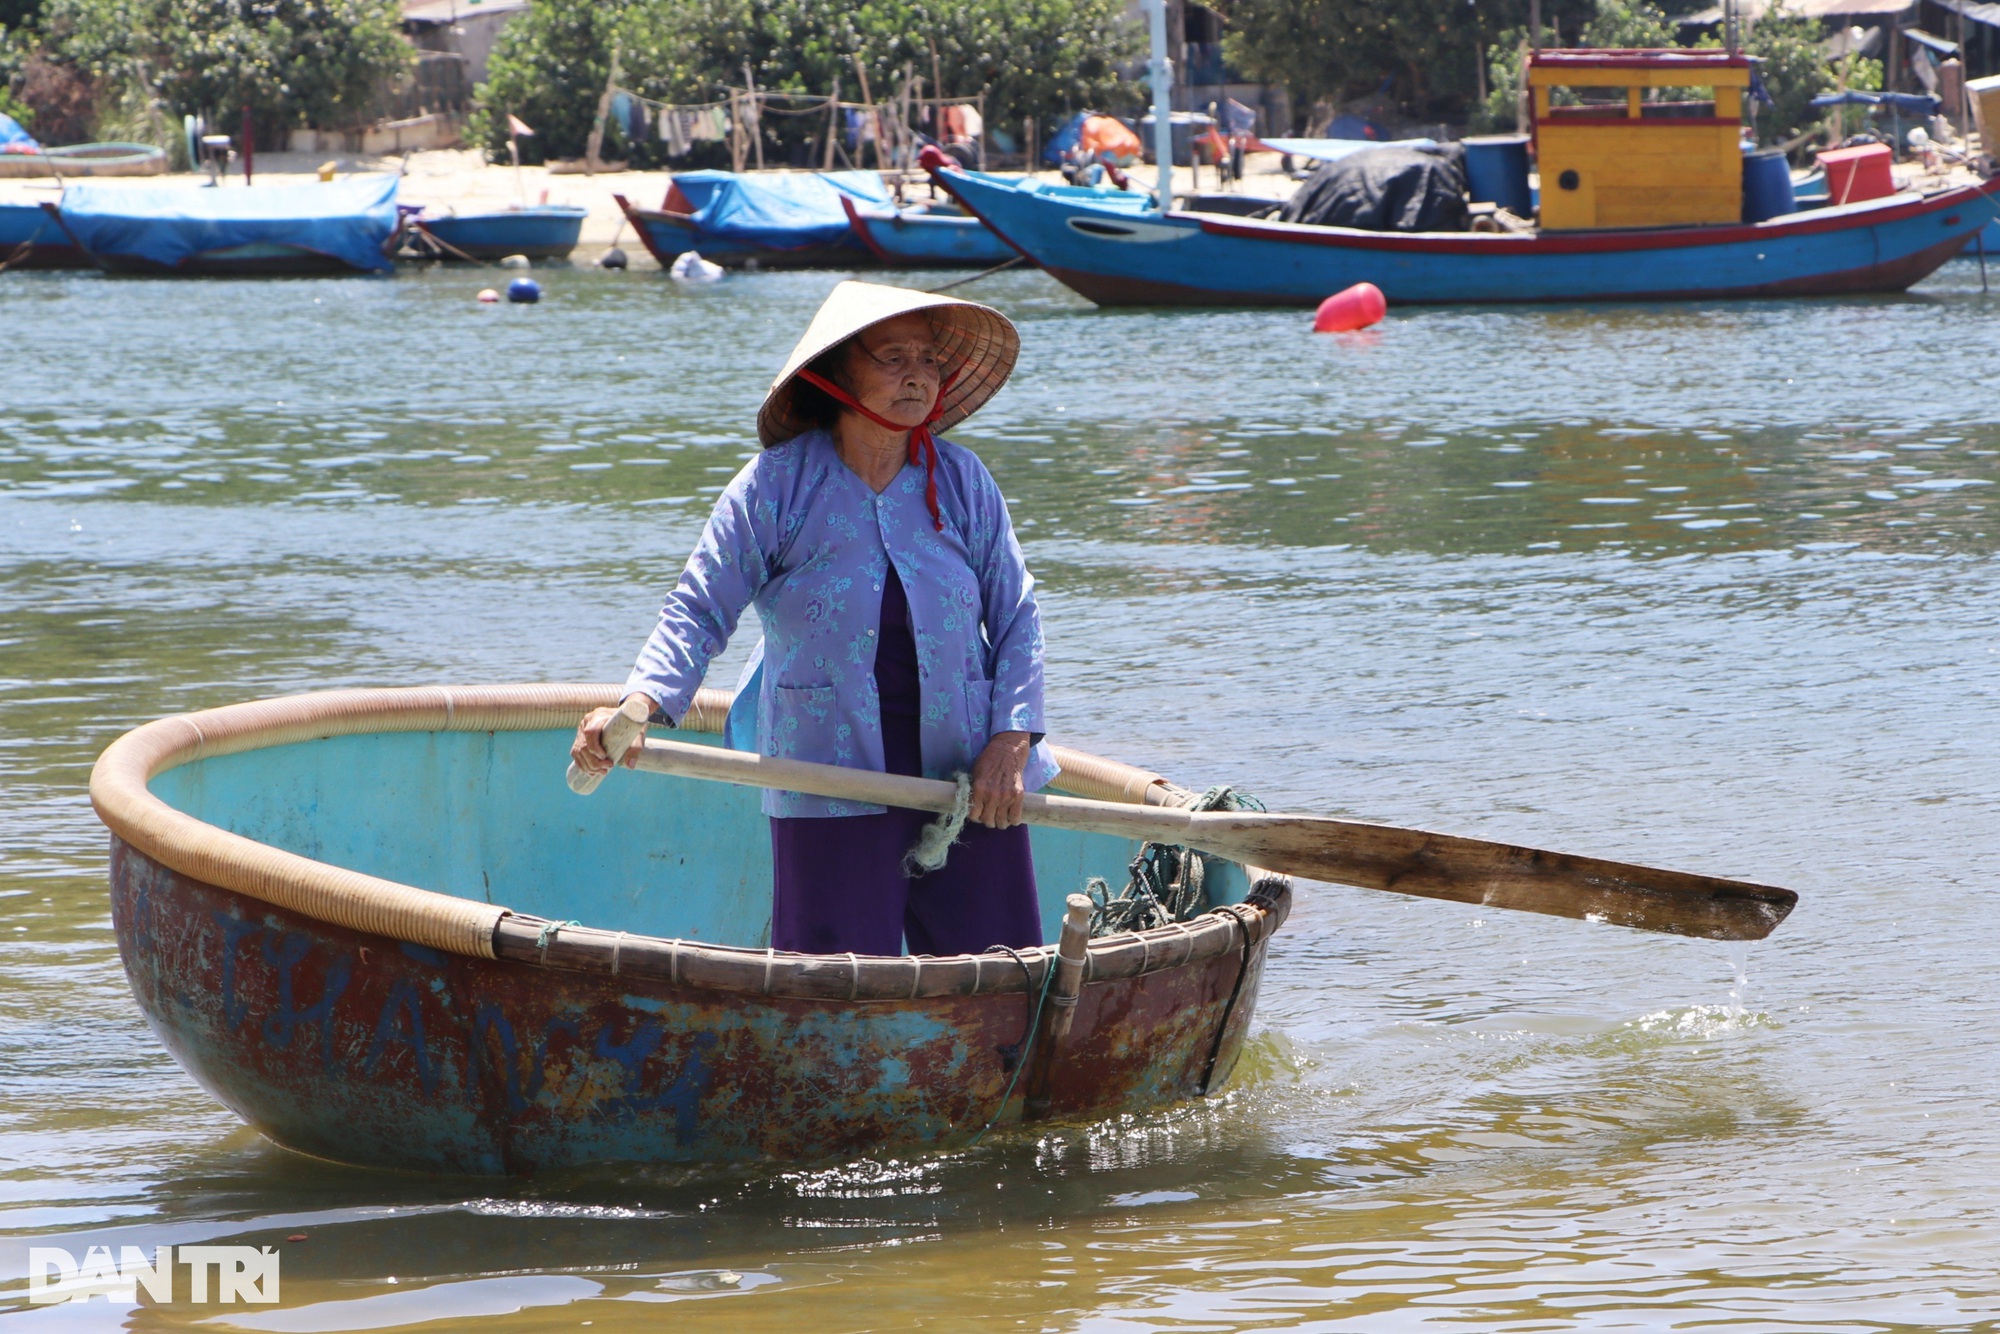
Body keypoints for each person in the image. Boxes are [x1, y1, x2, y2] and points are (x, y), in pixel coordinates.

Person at [570, 281, 1054, 958]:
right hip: (827, 768)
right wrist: (638, 705)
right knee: (835, 982)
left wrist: (1011, 742)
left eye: (928, 359)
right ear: (838, 375)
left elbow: (1017, 616)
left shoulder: (964, 481)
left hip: (968, 767)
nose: (916, 373)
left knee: (1003, 973)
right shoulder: (775, 487)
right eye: (892, 356)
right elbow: (698, 608)